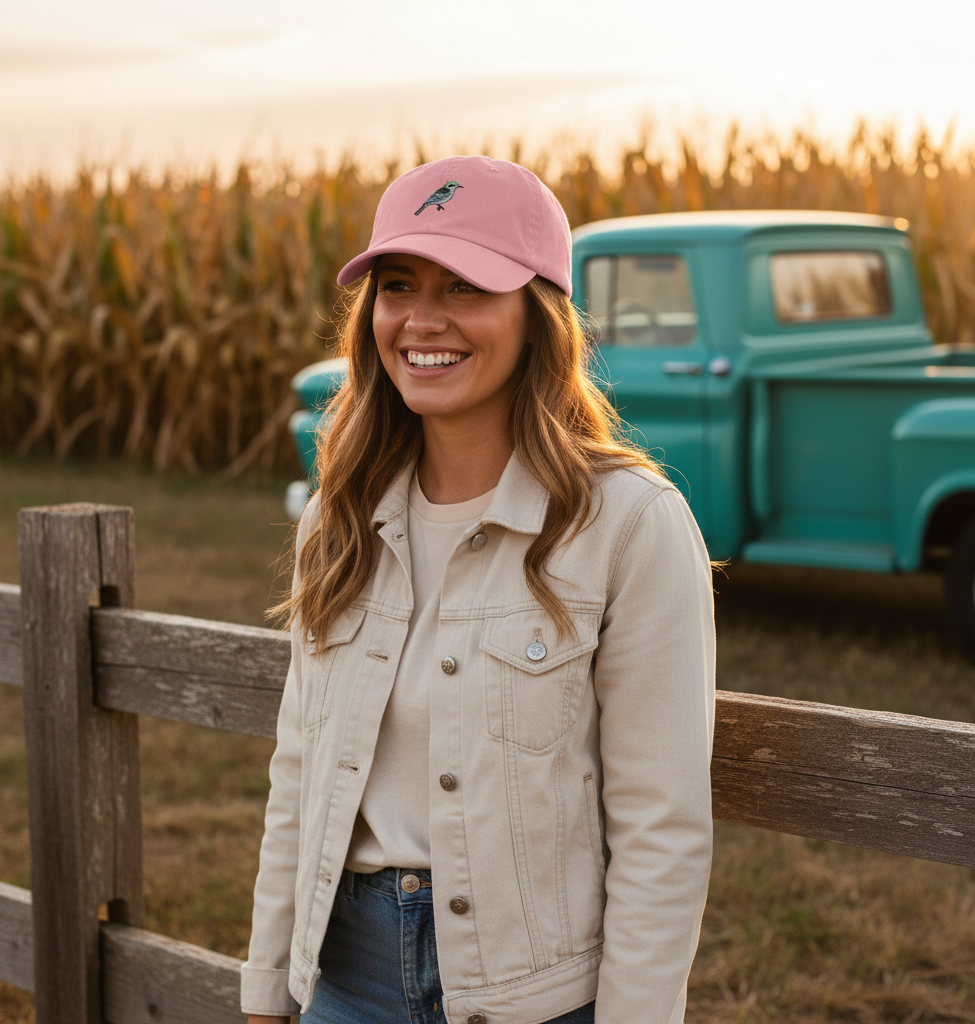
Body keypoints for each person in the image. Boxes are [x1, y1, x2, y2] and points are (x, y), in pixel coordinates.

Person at [241, 155, 715, 1024]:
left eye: (465, 287)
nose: (423, 319)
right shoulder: (337, 517)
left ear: (538, 318)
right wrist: (268, 994)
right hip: (345, 983)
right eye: (398, 284)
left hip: (535, 995)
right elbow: (300, 774)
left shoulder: (628, 523)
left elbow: (662, 829)